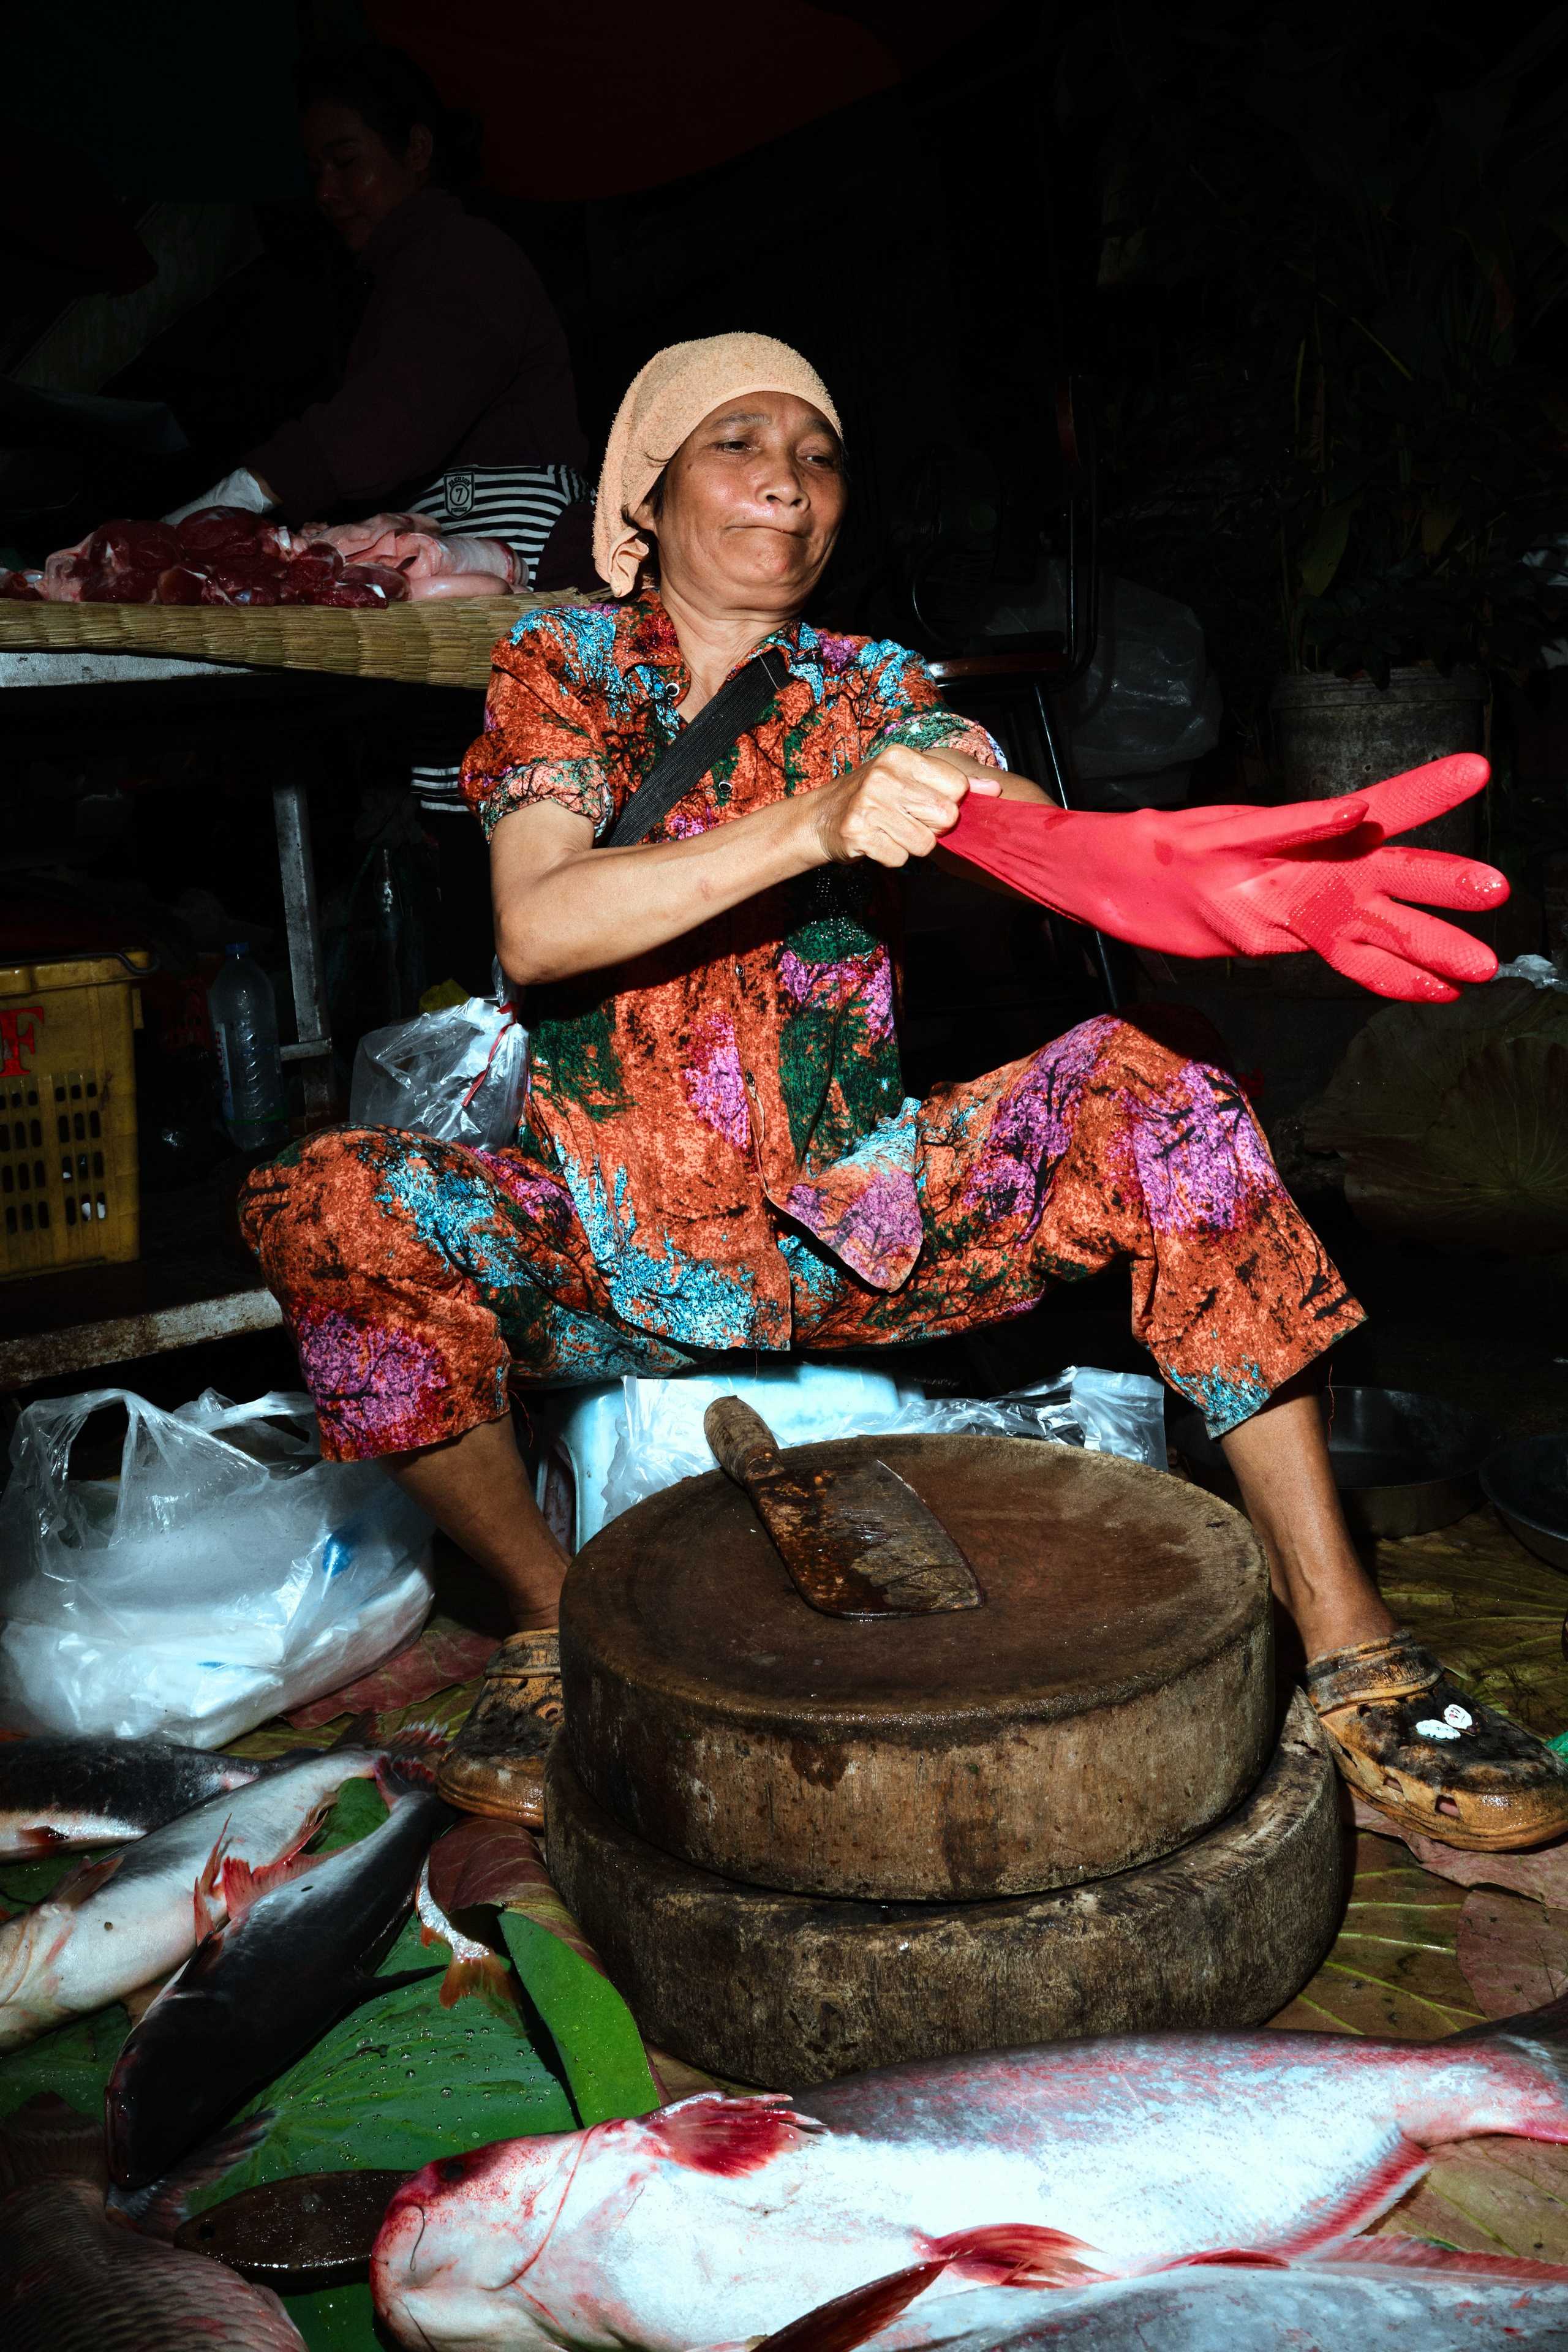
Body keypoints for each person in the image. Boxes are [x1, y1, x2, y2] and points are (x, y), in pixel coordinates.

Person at [239, 332, 1568, 1858]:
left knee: (1153, 1097)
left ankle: (1350, 1647)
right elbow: (539, 922)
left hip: (858, 1227)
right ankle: (555, 1624)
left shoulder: (879, 690)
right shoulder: (565, 667)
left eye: (816, 455)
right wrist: (816, 824)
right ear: (644, 501)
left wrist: (1176, 868)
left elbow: (1016, 825)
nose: (788, 485)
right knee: (325, 1195)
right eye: (739, 444)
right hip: (598, 1246)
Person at [168, 40, 593, 991]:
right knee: (471, 833)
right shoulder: (406, 275)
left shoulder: (461, 258)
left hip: (518, 574)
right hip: (460, 597)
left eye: (346, 158)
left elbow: (393, 415)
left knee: (524, 837)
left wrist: (240, 494)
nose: (327, 188)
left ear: (417, 149)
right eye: (314, 168)